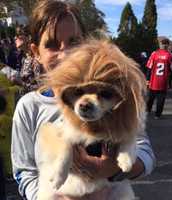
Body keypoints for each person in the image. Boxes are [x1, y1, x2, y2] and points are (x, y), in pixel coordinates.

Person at [11, 1, 156, 200]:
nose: (65, 53)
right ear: (36, 52)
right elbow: (24, 171)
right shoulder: (29, 107)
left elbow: (144, 152)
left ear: (86, 43)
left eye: (74, 42)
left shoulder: (114, 98)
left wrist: (112, 170)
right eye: (52, 44)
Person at [146, 38, 172, 119]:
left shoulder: (154, 54)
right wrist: (170, 82)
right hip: (163, 81)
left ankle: (148, 110)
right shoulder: (169, 55)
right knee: (161, 99)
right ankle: (157, 115)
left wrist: (147, 79)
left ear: (160, 44)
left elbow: (149, 67)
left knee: (151, 97)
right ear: (167, 45)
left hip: (154, 81)